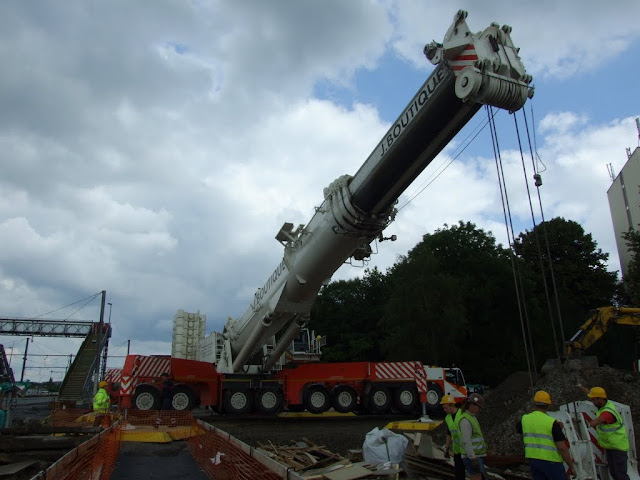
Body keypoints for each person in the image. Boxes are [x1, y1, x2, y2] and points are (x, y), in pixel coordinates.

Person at [516, 390, 577, 480]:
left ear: (534, 403)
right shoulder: (551, 422)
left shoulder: (525, 419)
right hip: (552, 463)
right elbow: (562, 448)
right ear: (548, 405)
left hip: (534, 462)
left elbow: (519, 429)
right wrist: (571, 466)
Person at [578, 384, 630, 480]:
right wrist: (580, 386)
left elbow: (600, 420)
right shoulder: (603, 403)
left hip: (618, 448)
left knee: (620, 475)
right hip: (611, 446)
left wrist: (586, 425)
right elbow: (589, 393)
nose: (592, 401)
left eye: (594, 400)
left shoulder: (608, 412)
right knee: (614, 473)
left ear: (600, 399)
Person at [456, 392, 488, 480]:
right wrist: (472, 458)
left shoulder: (471, 417)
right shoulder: (465, 420)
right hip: (472, 457)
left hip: (475, 456)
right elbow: (466, 441)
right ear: (472, 406)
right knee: (476, 476)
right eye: (478, 407)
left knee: (477, 476)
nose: (479, 409)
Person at [441, 394, 465, 480]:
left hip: (467, 450)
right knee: (459, 475)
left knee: (474, 472)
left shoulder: (462, 414)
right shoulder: (448, 418)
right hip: (457, 451)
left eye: (446, 408)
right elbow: (449, 433)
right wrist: (447, 447)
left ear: (451, 406)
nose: (444, 410)